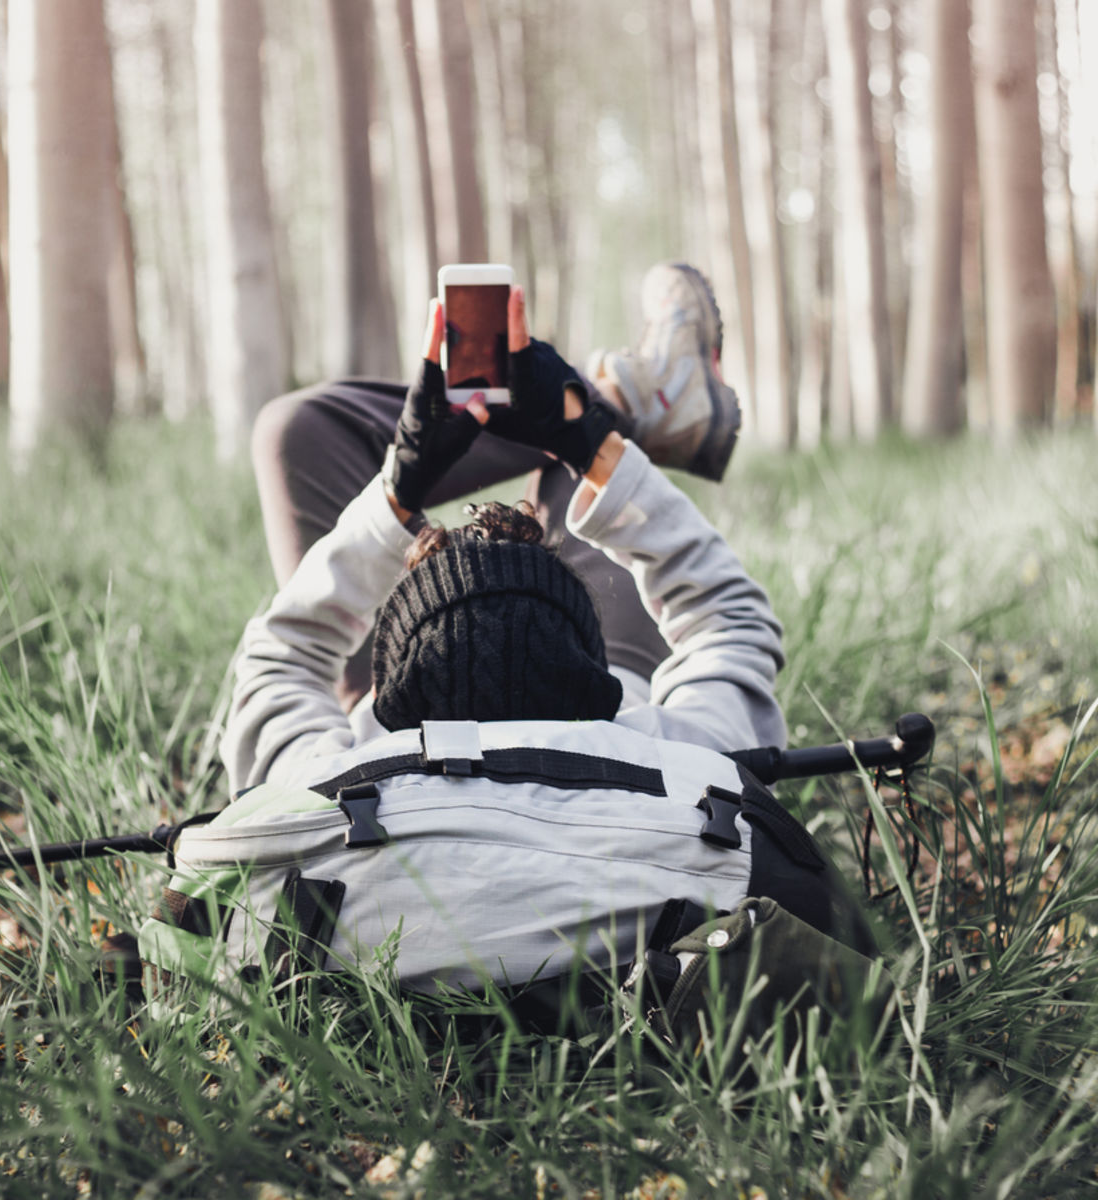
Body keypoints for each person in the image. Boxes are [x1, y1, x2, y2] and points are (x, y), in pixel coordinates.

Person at [220, 264, 873, 955]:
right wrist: (587, 442)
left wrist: (399, 482)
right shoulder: (664, 751)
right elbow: (734, 618)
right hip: (601, 751)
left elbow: (279, 658)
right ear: (601, 680)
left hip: (383, 784)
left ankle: (606, 408)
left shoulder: (328, 782)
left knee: (294, 428)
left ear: (385, 692)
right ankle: (607, 408)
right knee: (572, 476)